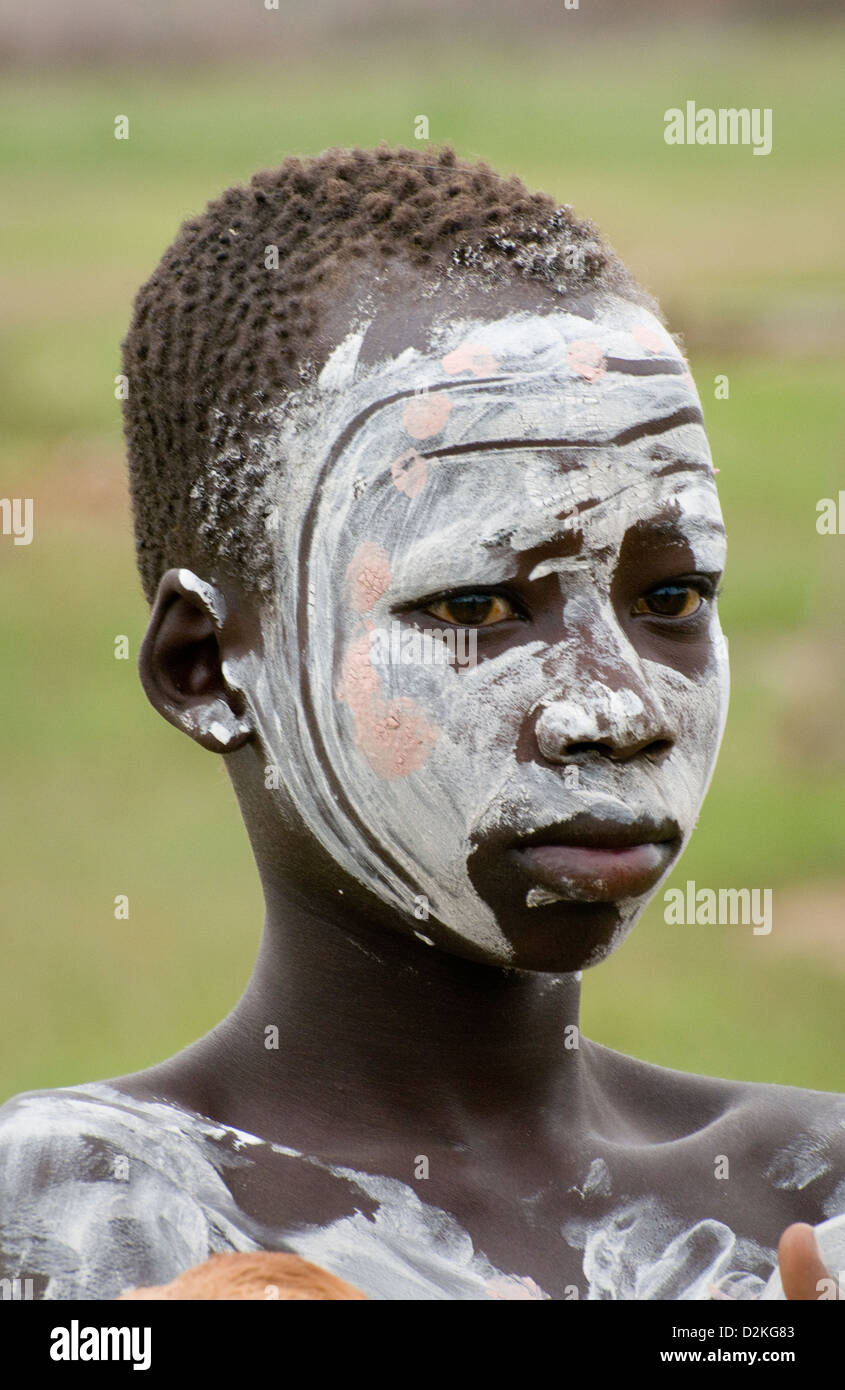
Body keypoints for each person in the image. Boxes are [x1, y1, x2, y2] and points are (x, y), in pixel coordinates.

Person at [1, 145, 842, 1301]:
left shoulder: (812, 1200)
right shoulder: (75, 1224)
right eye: (474, 607)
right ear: (208, 668)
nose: (618, 710)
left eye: (669, 599)